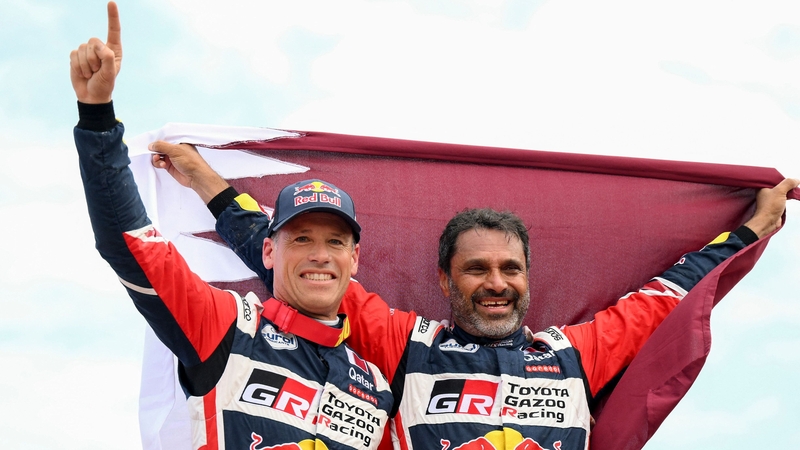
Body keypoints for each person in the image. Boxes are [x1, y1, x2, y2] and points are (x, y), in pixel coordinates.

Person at [150, 130, 798, 450]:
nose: (496, 283)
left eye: (510, 270)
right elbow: (298, 261)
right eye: (477, 269)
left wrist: (749, 228)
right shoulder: (406, 341)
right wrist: (207, 180)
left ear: (528, 279)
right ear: (445, 280)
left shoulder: (574, 354)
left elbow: (670, 292)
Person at [70, 3, 393, 449]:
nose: (319, 254)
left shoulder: (378, 387)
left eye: (335, 241)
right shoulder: (226, 326)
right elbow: (130, 244)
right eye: (300, 238)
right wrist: (97, 118)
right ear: (268, 251)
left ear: (353, 259)